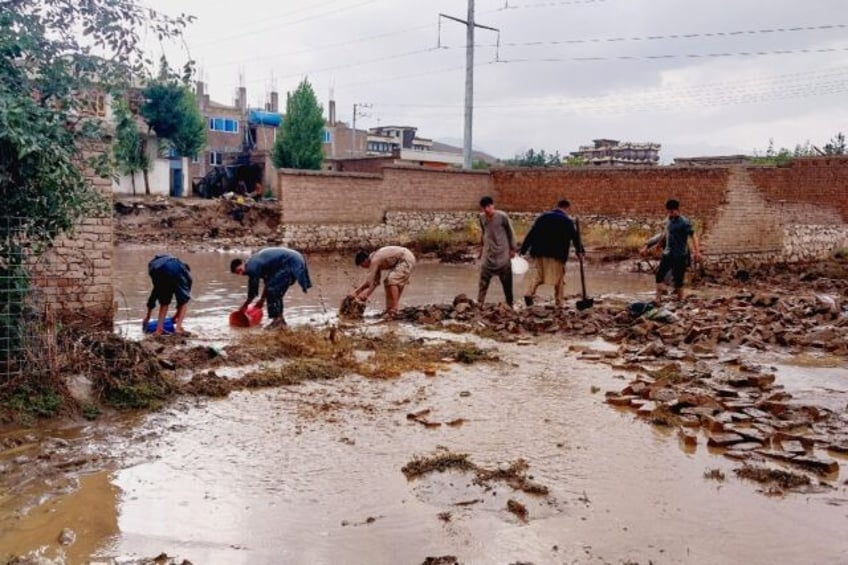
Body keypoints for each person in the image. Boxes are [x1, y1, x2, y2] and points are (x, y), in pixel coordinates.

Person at [519, 199, 584, 307]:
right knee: (559, 278)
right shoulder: (567, 221)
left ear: (556, 206)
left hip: (539, 252)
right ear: (566, 208)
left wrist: (523, 249)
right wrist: (580, 251)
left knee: (539, 276)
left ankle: (529, 293)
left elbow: (532, 233)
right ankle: (559, 302)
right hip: (557, 254)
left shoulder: (542, 217)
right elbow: (575, 237)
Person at [230, 247, 312, 329]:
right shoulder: (258, 264)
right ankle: (280, 321)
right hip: (293, 259)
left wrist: (245, 306)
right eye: (238, 273)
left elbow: (253, 290)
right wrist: (261, 301)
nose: (241, 273)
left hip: (291, 261)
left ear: (243, 263)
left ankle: (277, 321)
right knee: (275, 291)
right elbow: (268, 283)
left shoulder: (252, 266)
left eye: (240, 270)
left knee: (274, 291)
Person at [642, 198, 702, 303]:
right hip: (668, 253)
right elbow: (666, 233)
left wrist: (697, 252)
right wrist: (659, 243)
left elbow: (693, 236)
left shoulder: (684, 222)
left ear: (678, 210)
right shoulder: (669, 219)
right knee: (659, 275)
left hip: (680, 254)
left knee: (678, 279)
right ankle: (658, 298)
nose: (670, 213)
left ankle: (680, 299)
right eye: (669, 211)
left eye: (672, 211)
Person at [350, 246, 416, 318]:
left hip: (405, 258)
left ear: (365, 260)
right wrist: (358, 293)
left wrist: (360, 294)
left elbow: (368, 282)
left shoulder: (374, 260)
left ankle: (394, 309)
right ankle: (389, 309)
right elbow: (375, 282)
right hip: (404, 259)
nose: (363, 267)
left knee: (391, 280)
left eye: (362, 265)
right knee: (387, 282)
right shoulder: (375, 260)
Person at [477, 195, 517, 308]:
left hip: (502, 253)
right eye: (484, 207)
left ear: (492, 206)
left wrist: (513, 248)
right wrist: (481, 249)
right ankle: (480, 302)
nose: (486, 209)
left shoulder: (502, 216)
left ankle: (510, 303)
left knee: (507, 281)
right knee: (483, 280)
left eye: (488, 206)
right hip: (488, 254)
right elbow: (484, 233)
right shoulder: (481, 217)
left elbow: (510, 232)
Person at [142, 254, 192, 335]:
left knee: (164, 302)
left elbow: (153, 296)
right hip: (171, 268)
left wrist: (148, 317)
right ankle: (178, 329)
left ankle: (159, 330)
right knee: (184, 302)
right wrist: (176, 317)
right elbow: (183, 300)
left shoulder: (157, 263)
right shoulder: (185, 274)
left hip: (156, 270)